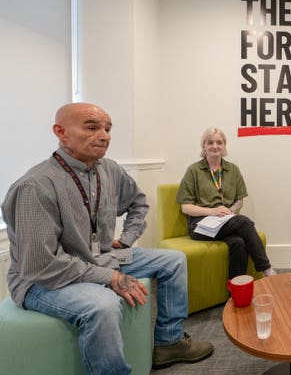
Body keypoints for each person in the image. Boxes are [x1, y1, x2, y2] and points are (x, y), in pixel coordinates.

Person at [1, 103, 214, 374]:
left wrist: (126, 240)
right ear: (60, 131)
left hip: (101, 257)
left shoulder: (109, 170)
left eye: (107, 128)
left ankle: (169, 342)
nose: (104, 135)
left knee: (173, 260)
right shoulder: (35, 186)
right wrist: (110, 277)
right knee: (103, 305)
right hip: (43, 280)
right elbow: (41, 265)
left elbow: (138, 202)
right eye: (92, 127)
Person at [176, 127, 276, 280]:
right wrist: (213, 211)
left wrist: (229, 211)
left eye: (219, 142)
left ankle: (236, 292)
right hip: (200, 225)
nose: (215, 146)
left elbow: (239, 200)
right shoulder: (194, 170)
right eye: (210, 142)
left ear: (224, 146)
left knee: (239, 243)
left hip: (225, 221)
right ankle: (266, 269)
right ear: (204, 146)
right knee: (244, 222)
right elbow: (185, 207)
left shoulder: (233, 169)